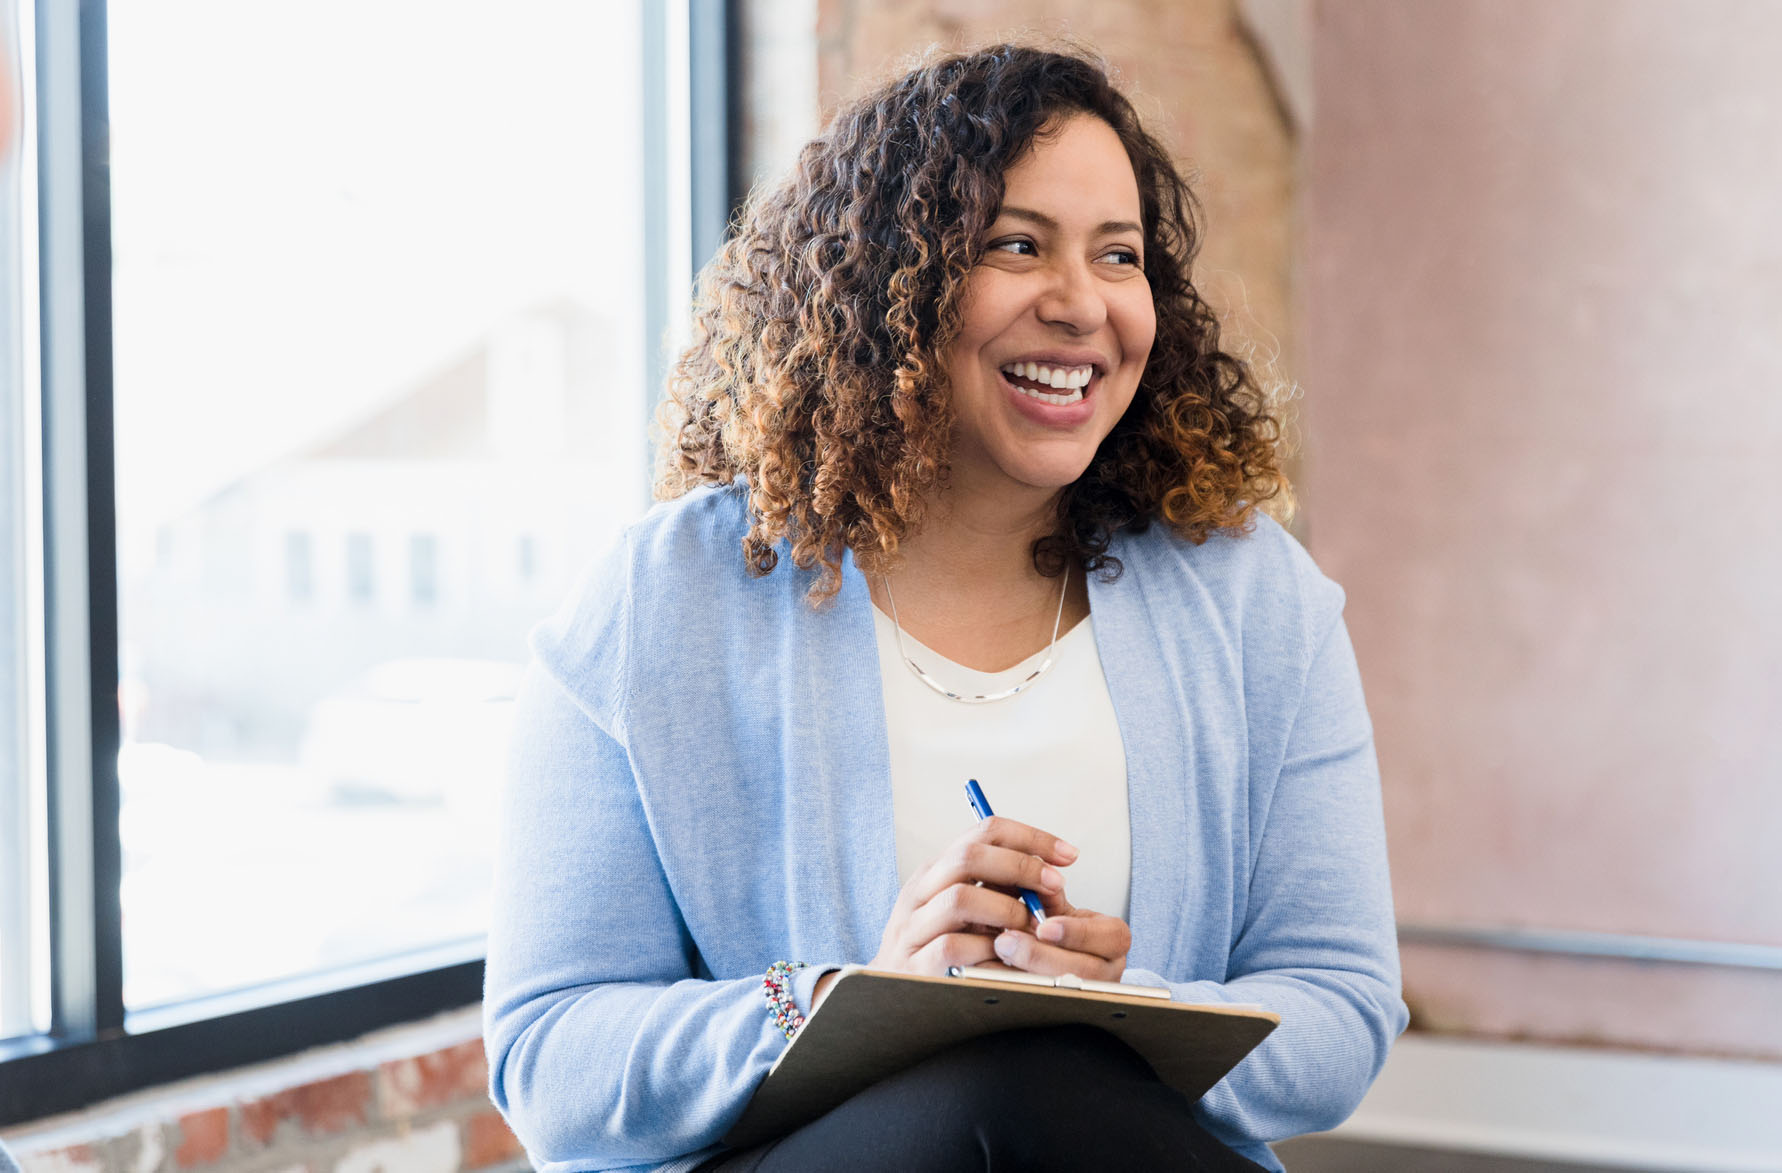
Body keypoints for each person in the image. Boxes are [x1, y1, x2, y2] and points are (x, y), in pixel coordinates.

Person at [484, 43, 1406, 1173]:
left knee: (1048, 1075)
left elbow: (1342, 1012)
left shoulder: (1255, 602)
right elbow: (550, 1061)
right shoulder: (658, 604)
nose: (1080, 305)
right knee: (996, 1085)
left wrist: (1126, 1006)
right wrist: (841, 1005)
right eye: (1017, 245)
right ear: (889, 281)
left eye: (1119, 258)